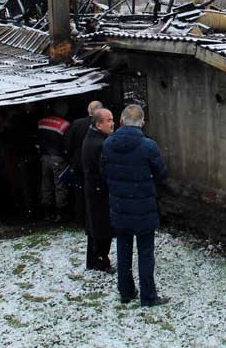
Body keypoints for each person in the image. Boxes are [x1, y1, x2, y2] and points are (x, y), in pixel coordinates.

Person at [101, 104, 169, 307]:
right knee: (145, 253)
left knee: (123, 250)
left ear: (121, 121)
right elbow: (162, 174)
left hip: (120, 206)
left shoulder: (108, 144)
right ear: (142, 123)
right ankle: (148, 296)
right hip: (144, 208)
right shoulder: (148, 146)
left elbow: (104, 172)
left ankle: (126, 291)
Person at [81, 108, 115, 272]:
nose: (112, 123)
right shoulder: (100, 143)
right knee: (102, 227)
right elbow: (105, 171)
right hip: (99, 192)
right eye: (109, 120)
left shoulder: (92, 137)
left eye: (112, 119)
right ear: (99, 124)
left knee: (95, 227)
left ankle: (93, 260)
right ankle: (101, 261)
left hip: (94, 190)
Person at [64, 101, 103, 224]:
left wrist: (71, 158)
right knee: (96, 191)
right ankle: (94, 218)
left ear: (88, 110)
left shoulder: (77, 124)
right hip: (95, 163)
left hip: (79, 163)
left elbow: (69, 143)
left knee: (80, 193)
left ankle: (80, 218)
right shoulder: (100, 124)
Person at [36, 103, 70, 222]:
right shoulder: (64, 124)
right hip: (57, 157)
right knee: (59, 185)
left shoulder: (42, 122)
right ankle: (60, 213)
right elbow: (66, 143)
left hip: (44, 157)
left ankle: (47, 212)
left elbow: (39, 139)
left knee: (46, 184)